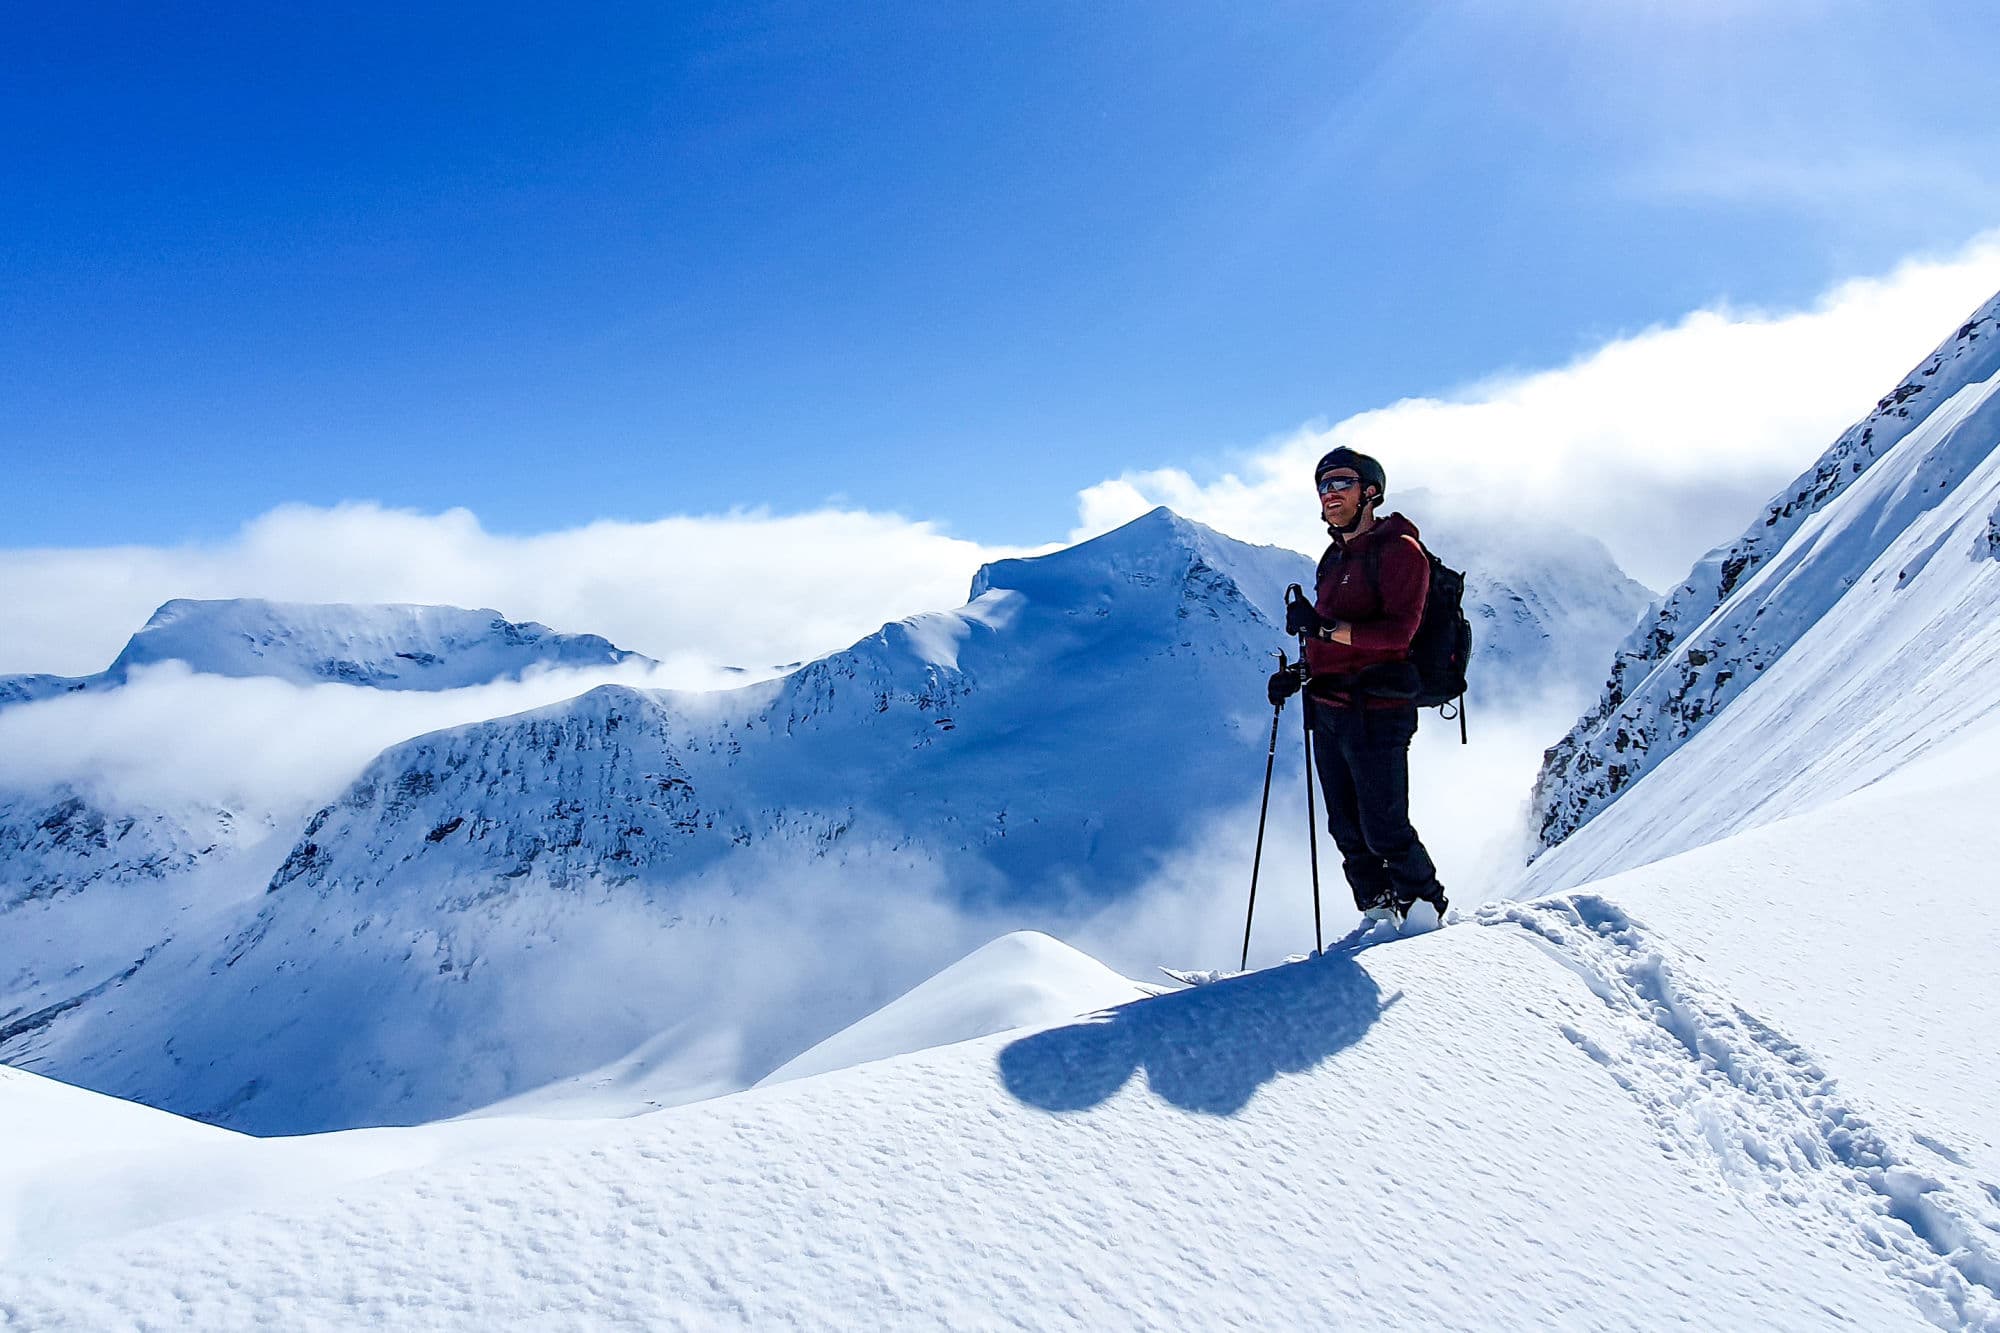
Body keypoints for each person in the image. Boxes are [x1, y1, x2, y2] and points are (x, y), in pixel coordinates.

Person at [1267, 446, 1449, 928]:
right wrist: (1300, 672)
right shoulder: (1334, 557)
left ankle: (1426, 914)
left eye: (1341, 483)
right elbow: (1336, 637)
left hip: (1378, 709)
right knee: (1346, 829)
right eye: (1323, 485)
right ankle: (1379, 912)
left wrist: (1321, 629)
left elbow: (1396, 635)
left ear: (1371, 491)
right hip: (1330, 705)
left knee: (1384, 828)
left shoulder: (1401, 553)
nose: (1329, 494)